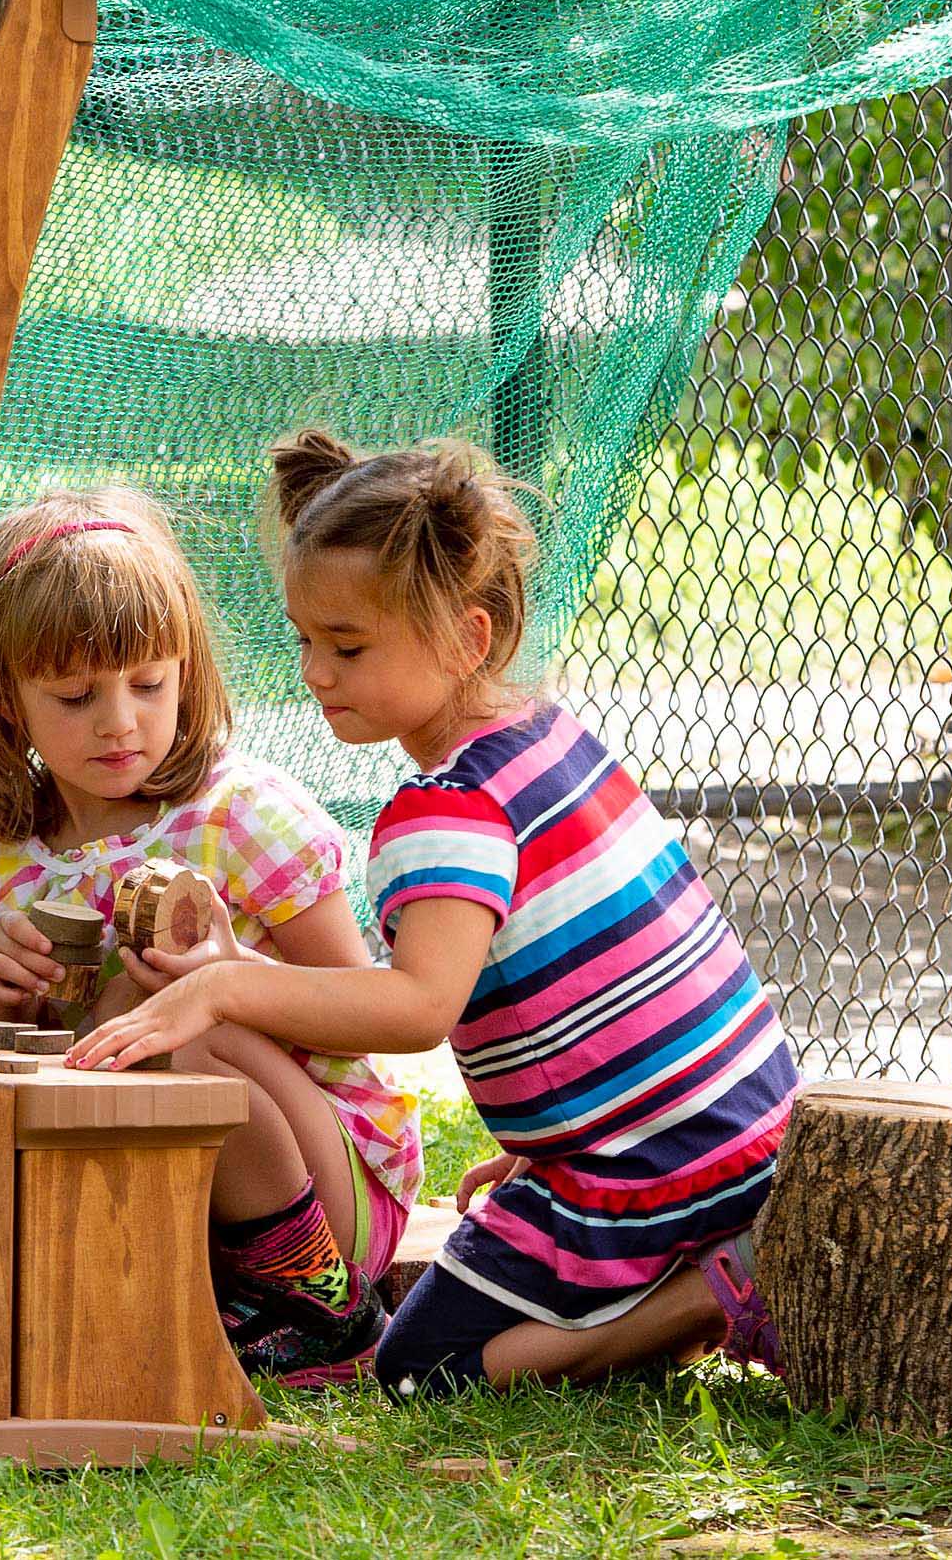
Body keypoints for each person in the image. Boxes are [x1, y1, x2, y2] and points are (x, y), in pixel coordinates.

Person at [73, 432, 796, 1395]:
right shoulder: (554, 739)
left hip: (650, 1168)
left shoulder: (445, 810)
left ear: (468, 636)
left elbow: (419, 1007)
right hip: (745, 1125)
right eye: (306, 641)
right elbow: (607, 992)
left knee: (419, 1368)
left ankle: (703, 1300)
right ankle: (677, 1265)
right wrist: (548, 1150)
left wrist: (223, 987)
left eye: (349, 646)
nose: (316, 674)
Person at [0, 487, 420, 1385]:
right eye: (75, 694)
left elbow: (367, 1009)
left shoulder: (237, 817)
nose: (119, 720)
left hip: (324, 1196)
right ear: (3, 698)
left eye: (148, 684)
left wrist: (228, 974)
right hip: (143, 1204)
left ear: (186, 672)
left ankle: (317, 1312)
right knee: (125, 1019)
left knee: (166, 1012)